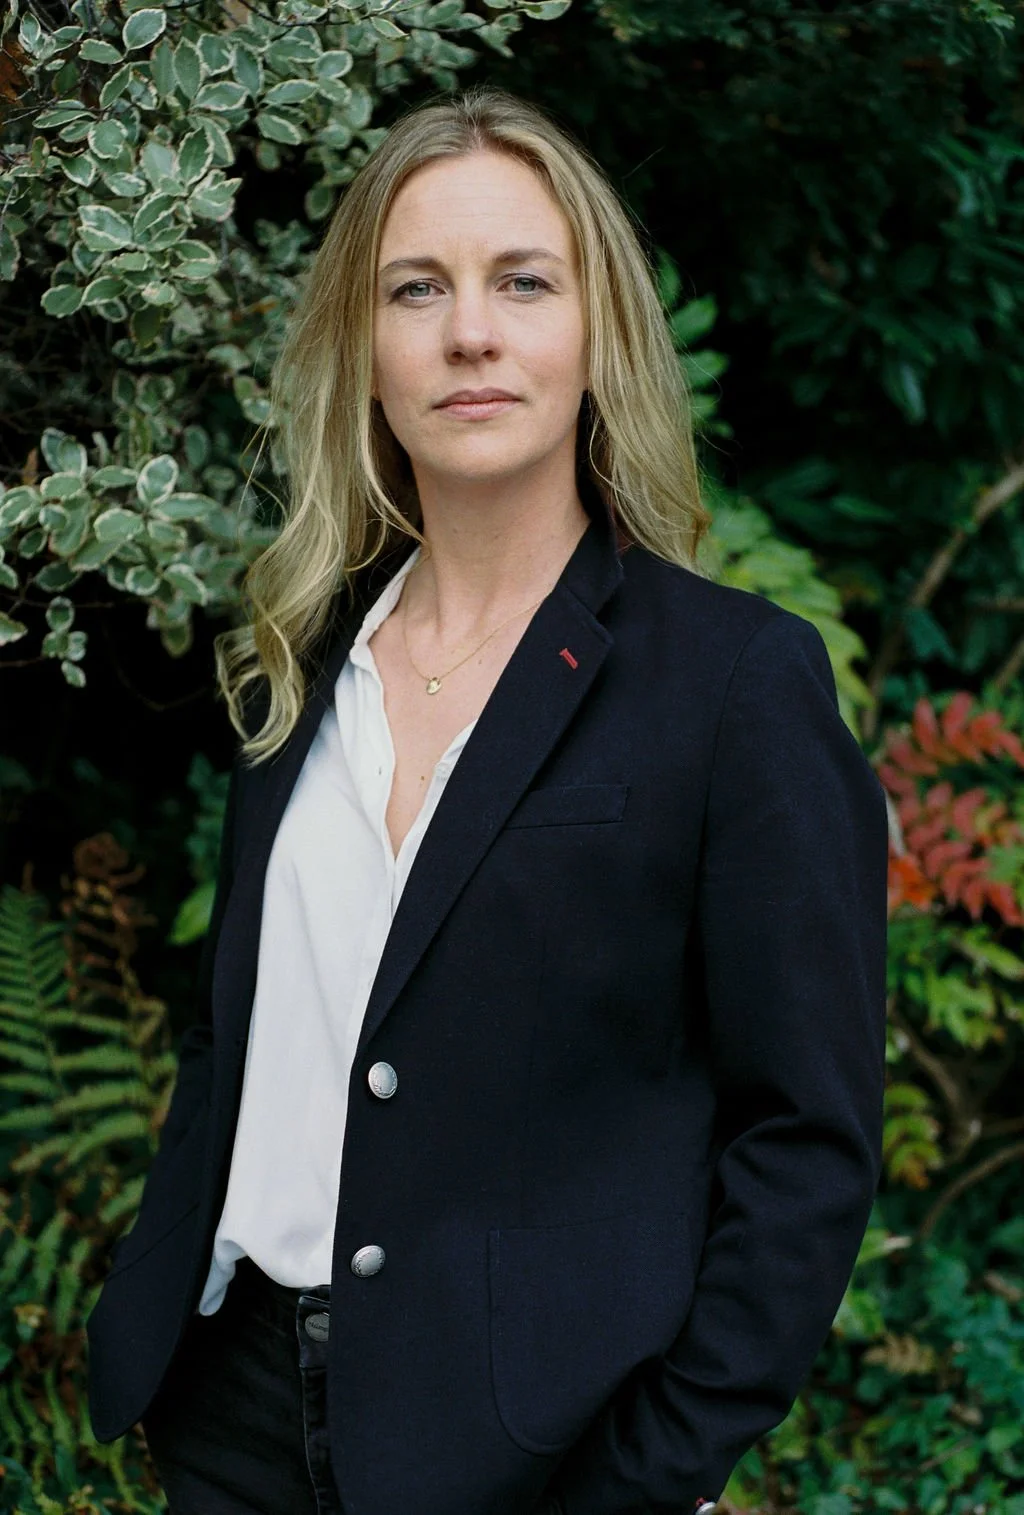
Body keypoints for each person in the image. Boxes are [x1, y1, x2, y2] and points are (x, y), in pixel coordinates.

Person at [85, 85, 889, 1515]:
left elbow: (807, 1139)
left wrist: (650, 1467)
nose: (471, 330)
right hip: (233, 1415)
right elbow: (242, 1032)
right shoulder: (296, 655)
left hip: (539, 1451)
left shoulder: (731, 683)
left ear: (596, 334)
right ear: (368, 349)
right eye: (417, 288)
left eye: (523, 280)